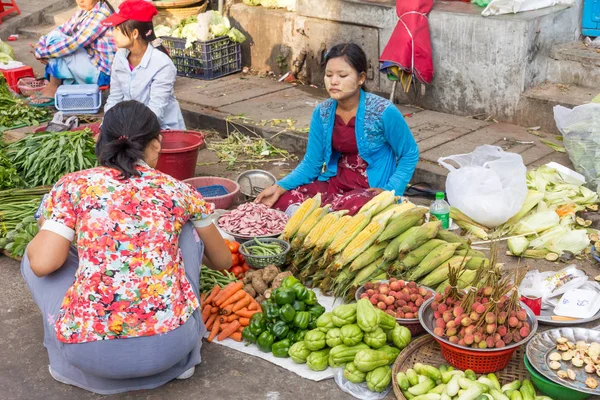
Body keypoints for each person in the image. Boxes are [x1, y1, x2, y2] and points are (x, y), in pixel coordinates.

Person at [21, 100, 231, 394]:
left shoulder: (74, 185)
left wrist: (49, 226)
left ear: (100, 140)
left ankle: (64, 363)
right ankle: (183, 361)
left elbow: (43, 264)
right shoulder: (179, 190)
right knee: (190, 232)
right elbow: (222, 261)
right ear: (156, 144)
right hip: (173, 346)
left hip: (89, 354)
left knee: (38, 253)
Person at [256, 43, 419, 215]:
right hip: (335, 185)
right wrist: (280, 186)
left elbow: (409, 153)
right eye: (328, 75)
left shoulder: (383, 111)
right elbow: (312, 163)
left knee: (349, 210)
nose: (333, 81)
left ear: (361, 78)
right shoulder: (322, 113)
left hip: (369, 191)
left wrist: (390, 192)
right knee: (282, 200)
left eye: (342, 75)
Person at [102, 0, 186, 130]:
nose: (112, 33)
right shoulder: (120, 56)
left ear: (135, 33)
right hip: (131, 126)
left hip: (160, 128)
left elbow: (155, 111)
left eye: (117, 29)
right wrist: (105, 128)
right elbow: (115, 98)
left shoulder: (162, 64)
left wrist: (129, 133)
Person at [30, 0, 117, 106]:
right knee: (55, 38)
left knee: (59, 44)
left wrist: (41, 53)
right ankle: (54, 86)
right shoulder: (84, 11)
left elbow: (74, 43)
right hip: (90, 62)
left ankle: (53, 87)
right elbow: (60, 30)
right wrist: (41, 45)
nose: (81, 0)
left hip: (102, 74)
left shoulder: (102, 14)